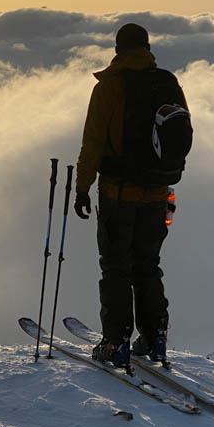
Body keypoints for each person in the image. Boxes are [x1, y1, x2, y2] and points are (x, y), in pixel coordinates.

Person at [73, 23, 191, 370]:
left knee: (116, 267)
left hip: (118, 193)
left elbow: (92, 142)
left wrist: (82, 186)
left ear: (117, 49)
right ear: (147, 47)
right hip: (157, 193)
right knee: (148, 265)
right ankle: (154, 338)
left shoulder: (110, 86)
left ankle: (116, 342)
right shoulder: (167, 83)